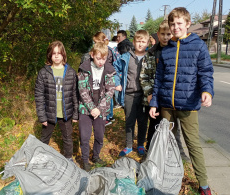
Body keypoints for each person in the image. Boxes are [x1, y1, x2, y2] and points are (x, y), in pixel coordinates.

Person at [149, 7, 214, 195]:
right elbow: (159, 78)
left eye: (179, 24)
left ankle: (204, 187)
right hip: (167, 105)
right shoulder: (167, 48)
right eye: (172, 24)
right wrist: (154, 102)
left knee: (193, 145)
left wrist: (207, 91)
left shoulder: (198, 46)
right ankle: (159, 178)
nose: (175, 27)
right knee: (163, 142)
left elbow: (206, 72)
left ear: (187, 24)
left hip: (188, 105)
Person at [140, 20, 190, 162]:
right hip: (155, 98)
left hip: (170, 97)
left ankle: (178, 152)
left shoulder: (176, 50)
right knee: (154, 126)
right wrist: (150, 93)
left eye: (168, 34)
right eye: (163, 34)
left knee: (174, 127)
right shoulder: (151, 53)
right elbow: (144, 76)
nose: (166, 37)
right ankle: (150, 152)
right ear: (158, 34)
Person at [35, 41, 78, 162]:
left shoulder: (71, 72)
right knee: (44, 137)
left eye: (59, 53)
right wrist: (42, 116)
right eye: (54, 53)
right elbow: (39, 95)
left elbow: (75, 93)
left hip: (66, 113)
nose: (57, 56)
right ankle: (40, 157)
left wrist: (75, 113)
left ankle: (68, 158)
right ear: (50, 55)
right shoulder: (44, 73)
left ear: (63, 54)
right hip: (49, 113)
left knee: (68, 137)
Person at [78, 42, 116, 171]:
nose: (101, 62)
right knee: (84, 136)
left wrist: (99, 109)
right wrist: (91, 108)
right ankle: (84, 160)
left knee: (99, 136)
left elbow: (110, 91)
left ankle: (95, 156)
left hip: (101, 109)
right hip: (85, 108)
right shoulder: (84, 69)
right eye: (98, 58)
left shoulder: (109, 70)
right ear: (92, 55)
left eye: (104, 59)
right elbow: (82, 90)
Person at [114, 30, 150, 157]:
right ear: (134, 42)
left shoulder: (149, 57)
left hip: (144, 95)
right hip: (129, 94)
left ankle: (140, 144)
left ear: (147, 43)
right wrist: (117, 82)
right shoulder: (126, 57)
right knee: (129, 121)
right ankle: (129, 145)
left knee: (142, 121)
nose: (140, 44)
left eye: (143, 42)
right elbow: (115, 69)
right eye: (138, 41)